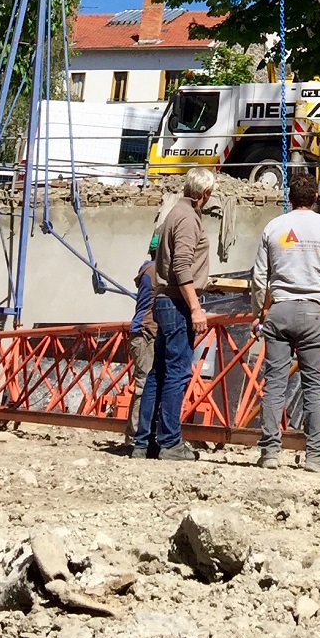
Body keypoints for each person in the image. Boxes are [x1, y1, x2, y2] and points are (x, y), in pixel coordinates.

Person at [253, 169, 320, 473]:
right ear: (316, 196)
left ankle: (269, 453)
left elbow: (259, 277)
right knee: (314, 388)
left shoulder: (274, 227)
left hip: (279, 310)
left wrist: (258, 312)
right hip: (313, 311)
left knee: (274, 385)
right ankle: (315, 458)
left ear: (289, 197)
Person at [130, 168, 216, 461]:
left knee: (158, 372)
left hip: (164, 300)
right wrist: (195, 308)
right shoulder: (189, 218)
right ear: (204, 194)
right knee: (177, 372)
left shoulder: (172, 214)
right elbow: (181, 266)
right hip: (177, 302)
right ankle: (170, 442)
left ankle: (144, 442)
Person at [124, 232, 160, 447]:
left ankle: (140, 434)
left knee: (145, 383)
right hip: (146, 333)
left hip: (143, 332)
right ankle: (137, 436)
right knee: (144, 384)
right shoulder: (156, 271)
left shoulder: (148, 269)